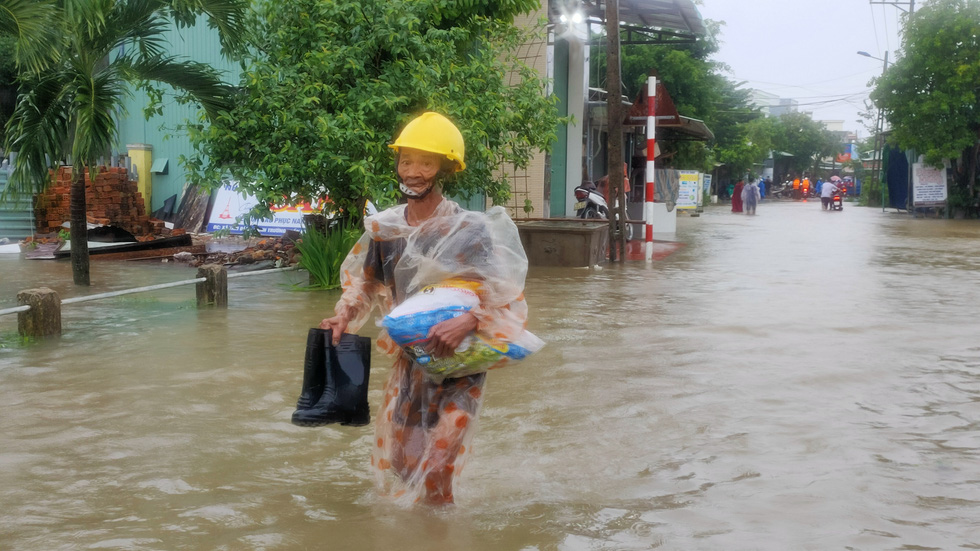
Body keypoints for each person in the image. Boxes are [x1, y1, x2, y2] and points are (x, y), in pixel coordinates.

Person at [319, 112, 530, 505]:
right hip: (412, 361)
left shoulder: (469, 229)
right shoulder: (385, 229)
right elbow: (364, 284)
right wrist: (344, 315)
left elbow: (506, 294)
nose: (413, 172)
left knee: (436, 465)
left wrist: (468, 321)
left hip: (461, 361)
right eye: (406, 161)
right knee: (404, 462)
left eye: (426, 162)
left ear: (445, 168)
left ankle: (443, 536)